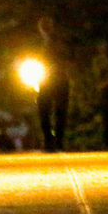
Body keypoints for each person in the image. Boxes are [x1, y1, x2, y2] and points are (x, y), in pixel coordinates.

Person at [36, 15, 72, 152]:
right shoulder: (37, 44)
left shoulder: (60, 42)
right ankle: (48, 139)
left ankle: (59, 140)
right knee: (44, 109)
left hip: (60, 78)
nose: (45, 29)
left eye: (47, 26)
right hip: (44, 79)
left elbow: (67, 57)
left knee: (60, 110)